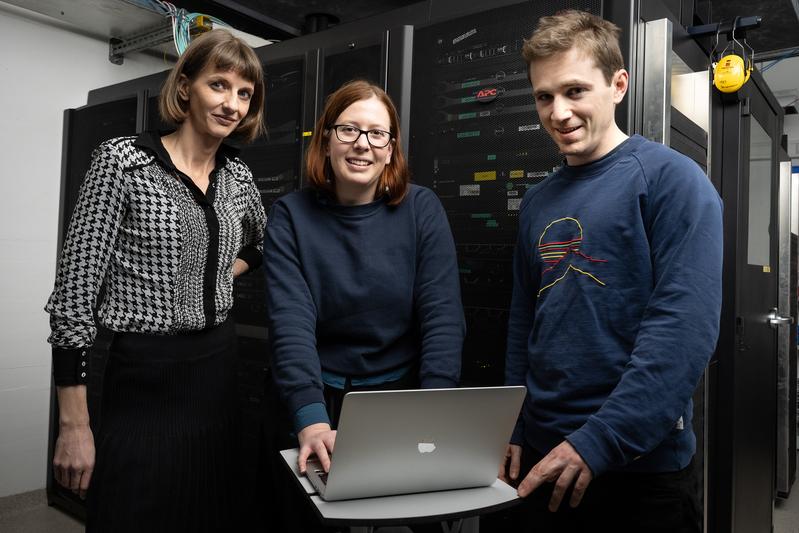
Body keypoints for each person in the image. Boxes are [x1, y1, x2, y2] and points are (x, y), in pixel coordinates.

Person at [499, 10, 723, 533]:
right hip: (541, 451)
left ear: (618, 85)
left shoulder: (672, 182)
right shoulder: (537, 201)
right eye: (544, 96)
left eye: (575, 91)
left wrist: (598, 441)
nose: (558, 112)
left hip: (638, 468)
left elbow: (682, 333)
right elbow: (522, 320)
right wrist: (510, 423)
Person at [45, 29, 266, 533]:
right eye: (220, 85)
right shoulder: (124, 163)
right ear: (186, 87)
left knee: (210, 510)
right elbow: (73, 299)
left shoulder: (238, 176)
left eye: (244, 93)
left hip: (216, 372)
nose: (231, 103)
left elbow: (261, 244)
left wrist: (214, 275)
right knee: (133, 512)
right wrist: (74, 426)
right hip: (144, 377)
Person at [264, 80, 465, 476]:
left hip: (397, 398)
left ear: (390, 149)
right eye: (348, 130)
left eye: (377, 133)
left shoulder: (421, 209)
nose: (362, 144)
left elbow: (442, 316)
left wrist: (435, 408)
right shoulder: (291, 215)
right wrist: (312, 419)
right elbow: (291, 322)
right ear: (326, 140)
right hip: (312, 394)